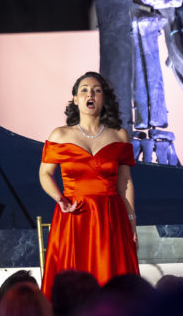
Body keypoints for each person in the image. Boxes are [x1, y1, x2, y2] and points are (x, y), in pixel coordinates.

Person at [38, 71, 138, 298]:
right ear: (75, 98)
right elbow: (45, 174)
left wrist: (132, 222)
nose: (90, 94)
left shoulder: (119, 135)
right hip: (74, 217)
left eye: (96, 90)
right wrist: (60, 199)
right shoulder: (60, 135)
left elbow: (125, 182)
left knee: (113, 283)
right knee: (73, 285)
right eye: (84, 90)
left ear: (103, 98)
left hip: (110, 217)